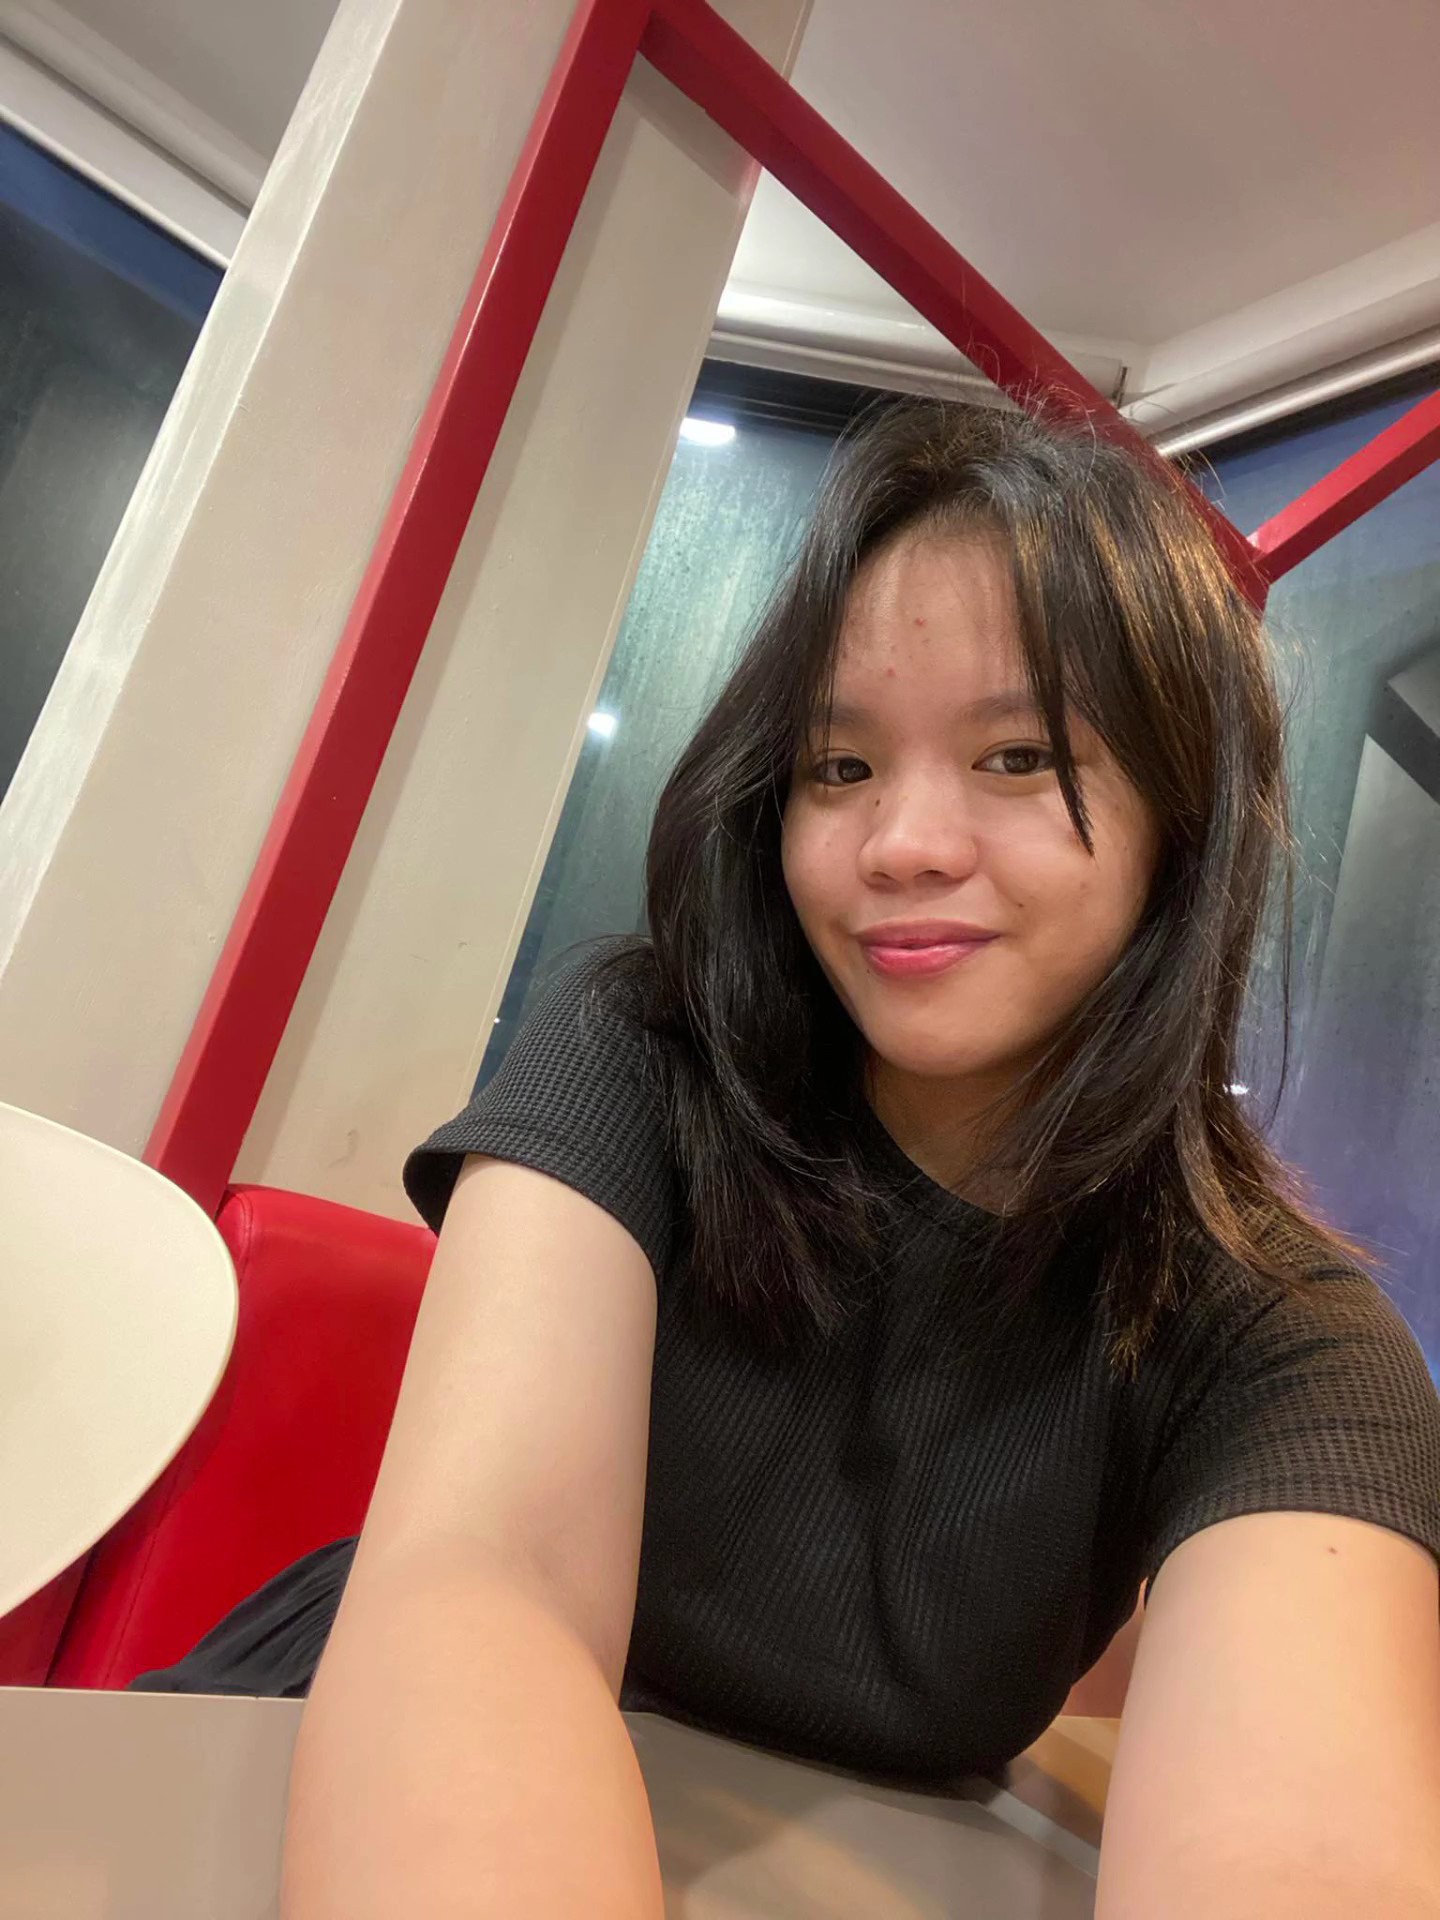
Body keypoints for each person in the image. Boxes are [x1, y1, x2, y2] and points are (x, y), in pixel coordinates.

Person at [139, 401, 1440, 1917]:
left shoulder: (1284, 1343)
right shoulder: (641, 1052)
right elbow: (492, 1582)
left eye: (1018, 755)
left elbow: (1298, 1848)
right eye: (839, 766)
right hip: (367, 1766)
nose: (900, 842)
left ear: (1183, 822)